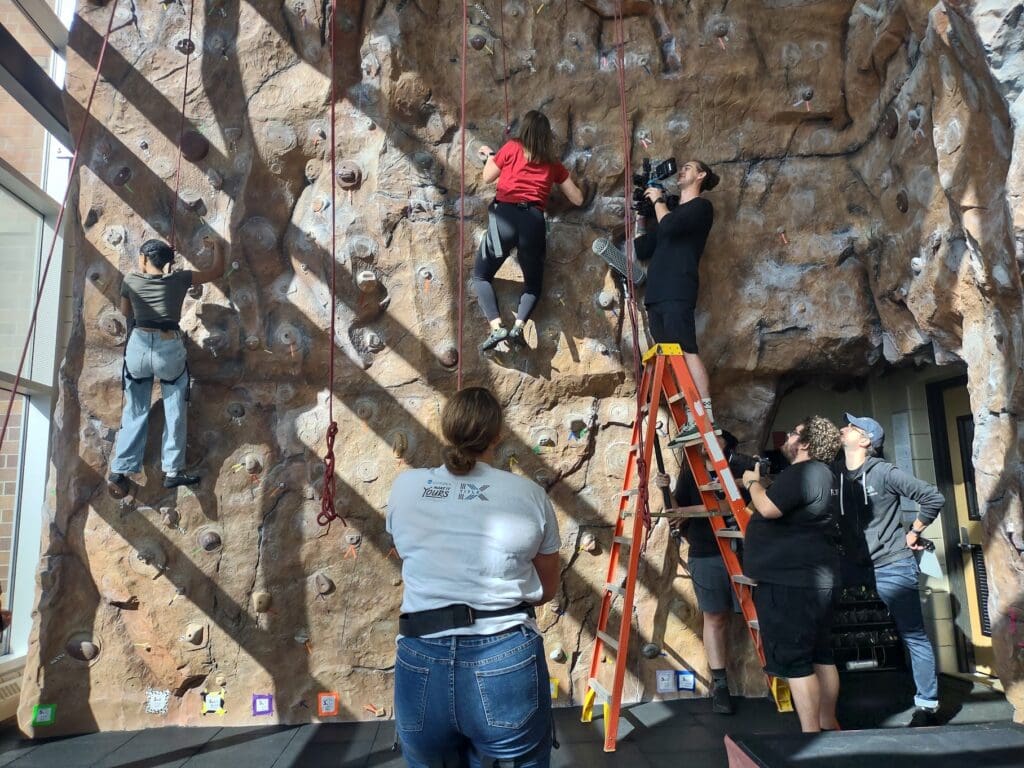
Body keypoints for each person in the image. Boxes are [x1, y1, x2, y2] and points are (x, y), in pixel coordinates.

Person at [386, 387, 561, 767]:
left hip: (421, 655)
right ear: (498, 435)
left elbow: (404, 549)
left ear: (447, 429)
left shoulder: (405, 487)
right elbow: (547, 589)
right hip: (505, 656)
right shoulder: (529, 494)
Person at [837, 413, 945, 726]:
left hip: (892, 563)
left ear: (865, 440)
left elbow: (932, 497)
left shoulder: (884, 472)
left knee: (913, 635)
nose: (844, 428)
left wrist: (914, 532)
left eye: (852, 427)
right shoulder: (835, 474)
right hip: (852, 565)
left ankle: (927, 706)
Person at [741, 416, 842, 733]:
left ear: (807, 443)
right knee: (821, 656)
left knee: (797, 663)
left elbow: (768, 508)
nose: (787, 437)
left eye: (794, 433)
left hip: (791, 583)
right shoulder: (826, 474)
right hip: (817, 580)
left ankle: (811, 735)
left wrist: (752, 483)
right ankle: (828, 724)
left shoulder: (802, 472)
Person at [107, 237, 224, 496]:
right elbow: (216, 271)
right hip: (168, 347)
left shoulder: (131, 280)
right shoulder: (180, 279)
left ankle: (120, 469)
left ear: (144, 259)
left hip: (139, 347)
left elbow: (126, 312)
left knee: (135, 408)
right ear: (167, 262)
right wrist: (217, 245)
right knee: (175, 406)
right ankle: (172, 470)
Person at [656, 431, 751, 714]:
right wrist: (666, 490)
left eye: (715, 437)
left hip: (744, 552)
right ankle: (720, 685)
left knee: (756, 613)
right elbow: (677, 511)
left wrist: (692, 510)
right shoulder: (691, 473)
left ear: (726, 442)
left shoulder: (742, 466)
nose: (707, 442)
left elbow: (737, 504)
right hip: (706, 552)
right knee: (714, 616)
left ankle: (776, 675)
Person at [473, 110, 584, 351]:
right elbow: (577, 198)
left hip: (504, 217)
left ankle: (497, 327)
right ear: (547, 136)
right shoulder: (552, 162)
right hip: (532, 222)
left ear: (524, 129)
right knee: (533, 284)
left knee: (481, 276)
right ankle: (518, 327)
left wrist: (491, 156)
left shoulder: (512, 147)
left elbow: (487, 176)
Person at [634, 160, 719, 445]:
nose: (682, 170)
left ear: (701, 175)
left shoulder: (701, 208)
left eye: (689, 167)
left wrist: (658, 200)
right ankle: (692, 417)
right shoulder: (668, 215)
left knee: (686, 348)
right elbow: (642, 248)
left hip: (678, 286)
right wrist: (641, 216)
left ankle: (705, 416)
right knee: (674, 356)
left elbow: (670, 227)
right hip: (656, 293)